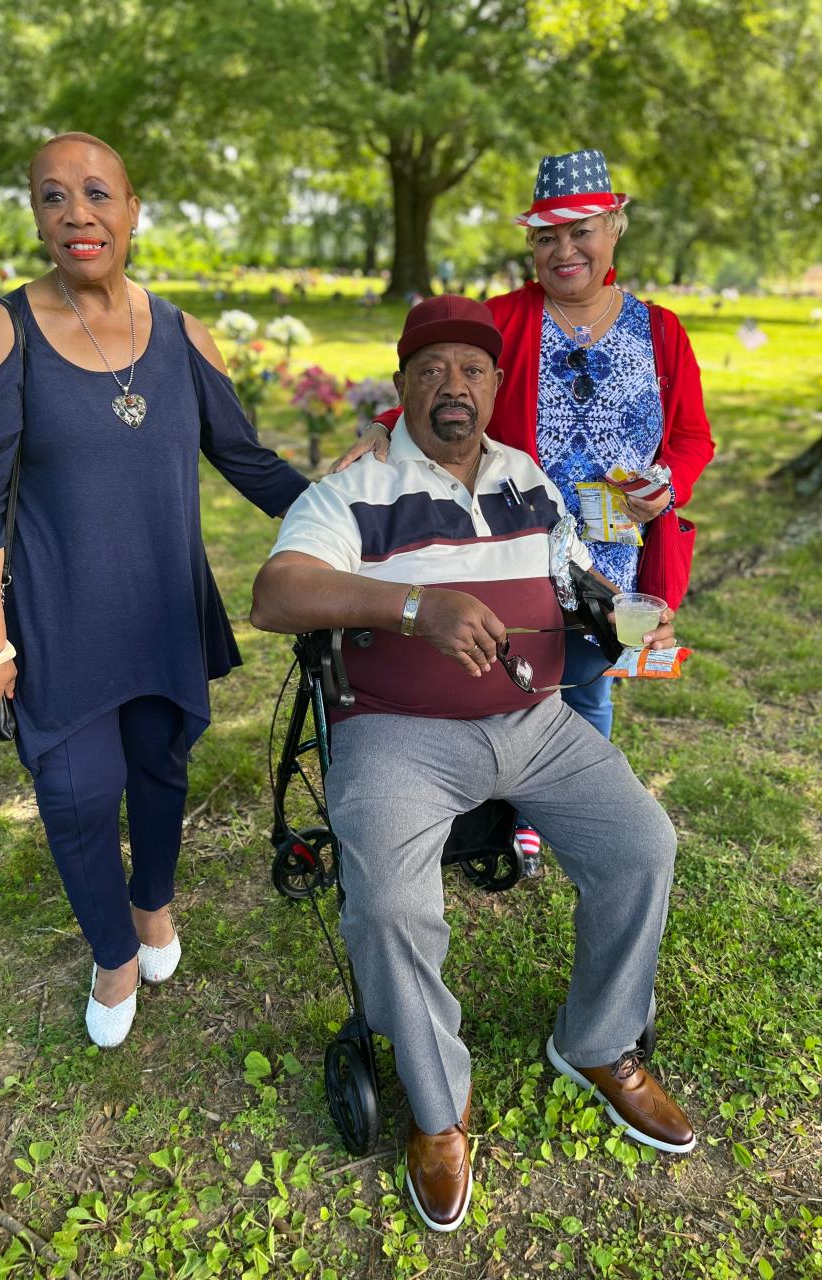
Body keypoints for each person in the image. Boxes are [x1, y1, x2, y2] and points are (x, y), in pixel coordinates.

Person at [251, 296, 696, 1235]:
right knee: (389, 903)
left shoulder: (527, 478)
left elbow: (574, 575)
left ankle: (597, 1042)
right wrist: (417, 609)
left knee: (642, 845)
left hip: (534, 718)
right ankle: (439, 1108)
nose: (453, 387)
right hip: (397, 728)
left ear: (496, 386)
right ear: (403, 384)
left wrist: (627, 612)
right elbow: (277, 592)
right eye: (432, 370)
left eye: (472, 371)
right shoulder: (356, 488)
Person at [0, 132, 308, 1049]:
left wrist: (358, 500)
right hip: (59, 614)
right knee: (75, 790)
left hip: (159, 608)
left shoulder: (184, 331)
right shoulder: (4, 327)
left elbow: (249, 463)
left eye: (97, 193)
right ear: (36, 216)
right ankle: (112, 952)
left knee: (158, 766)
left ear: (134, 209)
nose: (77, 214)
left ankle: (152, 905)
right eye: (53, 197)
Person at [336, 149, 714, 741]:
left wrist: (666, 489)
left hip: (614, 550)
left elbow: (693, 437)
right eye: (545, 238)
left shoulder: (660, 330)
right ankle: (500, 804)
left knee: (590, 685)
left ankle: (558, 804)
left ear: (613, 230)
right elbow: (445, 381)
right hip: (514, 538)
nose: (563, 252)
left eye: (580, 232)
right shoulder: (504, 319)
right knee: (510, 674)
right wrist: (385, 423)